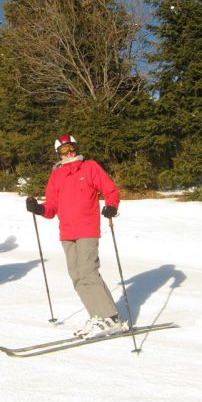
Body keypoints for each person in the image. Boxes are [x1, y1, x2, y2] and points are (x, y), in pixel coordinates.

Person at [25, 134, 124, 339]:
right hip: (67, 231)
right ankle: (97, 316)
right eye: (64, 150)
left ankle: (111, 318)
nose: (70, 152)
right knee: (77, 275)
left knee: (88, 270)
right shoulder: (57, 175)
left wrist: (112, 206)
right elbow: (51, 207)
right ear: (58, 154)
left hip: (87, 227)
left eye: (72, 148)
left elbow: (110, 189)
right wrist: (38, 208)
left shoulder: (90, 167)